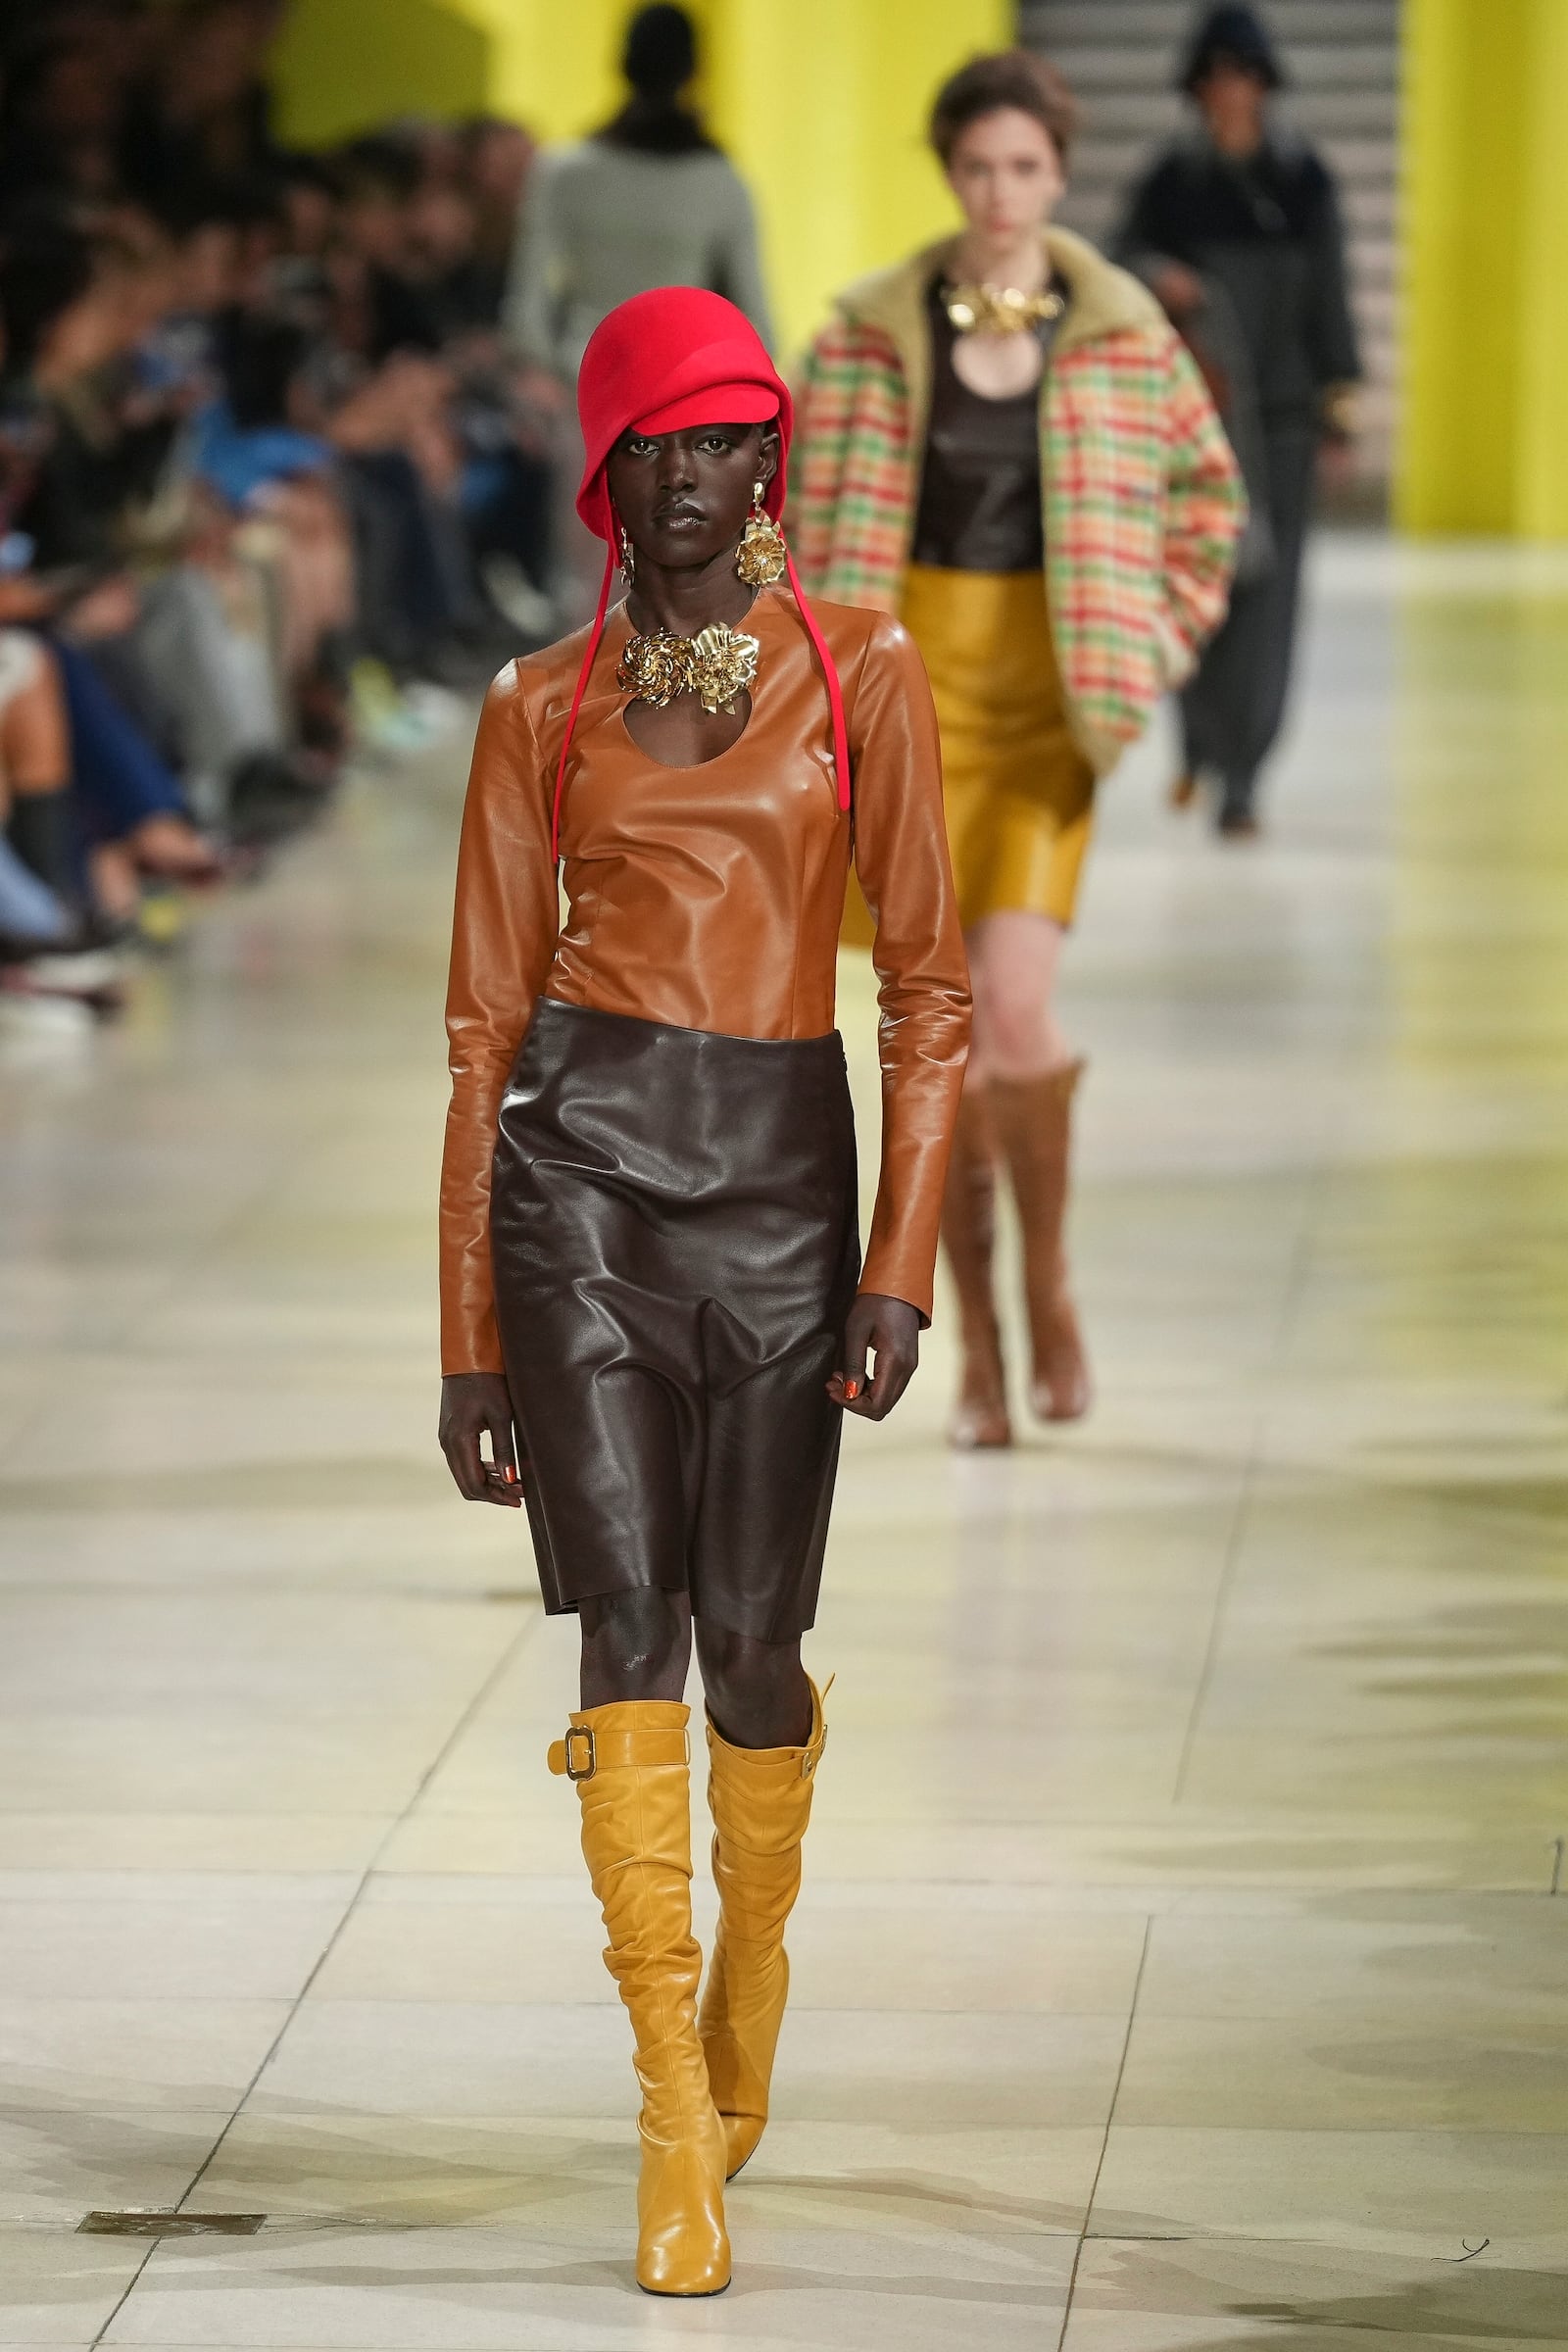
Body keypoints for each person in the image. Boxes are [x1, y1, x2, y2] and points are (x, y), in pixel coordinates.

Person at [436, 286, 967, 2296]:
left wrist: (899, 1262)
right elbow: (483, 1033)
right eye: (657, 442)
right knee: (627, 1635)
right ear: (604, 469)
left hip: (774, 1194)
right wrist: (466, 1328)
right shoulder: (533, 705)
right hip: (575, 1187)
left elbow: (922, 988)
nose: (695, 475)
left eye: (728, 437)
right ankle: (671, 2096)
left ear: (770, 461)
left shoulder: (866, 677)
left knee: (754, 1644)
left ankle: (751, 1954)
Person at [795, 49, 1242, 1449]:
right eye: (979, 168)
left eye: (1027, 170)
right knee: (951, 1031)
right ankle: (976, 1343)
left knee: (1016, 1011)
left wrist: (1153, 639)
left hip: (1049, 704)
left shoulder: (1121, 334)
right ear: (950, 172)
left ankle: (1043, 1283)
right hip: (909, 704)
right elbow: (791, 512)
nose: (1001, 195)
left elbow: (1208, 503)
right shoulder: (868, 334)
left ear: (1061, 175)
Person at [1115, 2, 1360, 836]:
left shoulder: (1304, 183)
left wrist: (1340, 412)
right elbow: (1115, 271)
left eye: (1244, 73)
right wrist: (1160, 275)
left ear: (1264, 83)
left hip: (1286, 421)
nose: (1231, 90)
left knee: (1272, 595)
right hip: (1192, 417)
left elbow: (1331, 299)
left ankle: (1245, 773)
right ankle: (1202, 745)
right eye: (1217, 73)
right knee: (1194, 583)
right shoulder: (1169, 185)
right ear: (1197, 83)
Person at [504, 4, 772, 378]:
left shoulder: (563, 171)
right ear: (695, 72)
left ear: (620, 64)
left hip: (581, 385)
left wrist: (555, 388)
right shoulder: (721, 182)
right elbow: (758, 323)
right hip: (681, 392)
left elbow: (525, 313)